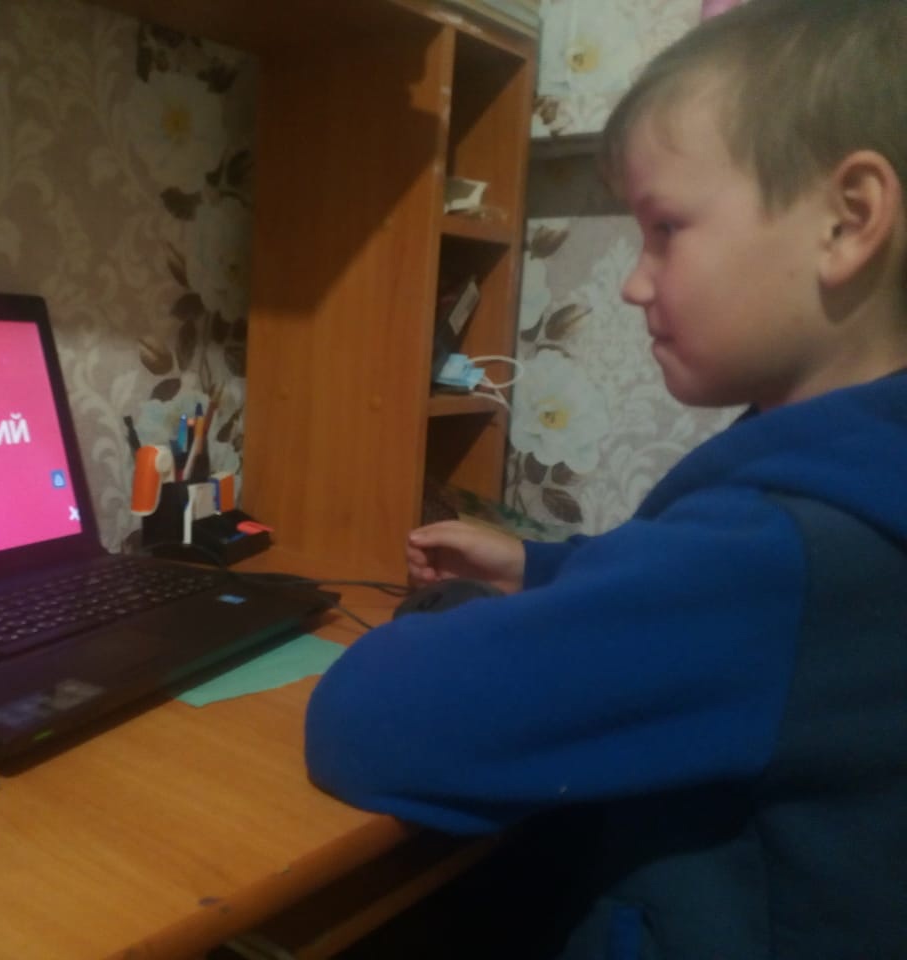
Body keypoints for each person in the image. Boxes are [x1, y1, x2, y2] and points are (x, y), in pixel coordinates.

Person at [304, 1, 907, 957]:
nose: (634, 281)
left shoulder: (780, 554)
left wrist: (467, 615)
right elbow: (702, 622)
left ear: (849, 220)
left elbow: (365, 724)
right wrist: (544, 571)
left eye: (665, 228)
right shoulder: (861, 490)